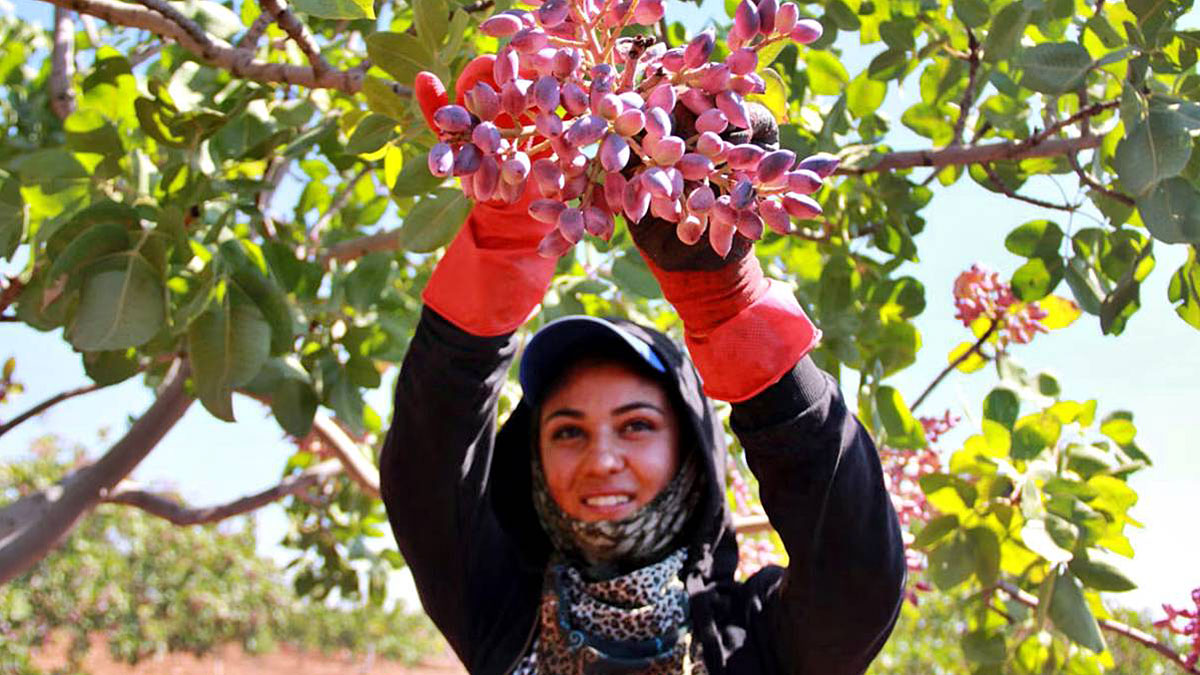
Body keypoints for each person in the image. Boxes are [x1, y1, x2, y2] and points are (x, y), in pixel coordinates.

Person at [380, 59, 906, 674]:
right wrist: (502, 244)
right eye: (567, 431)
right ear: (534, 459)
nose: (602, 460)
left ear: (689, 448)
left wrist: (731, 309)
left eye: (636, 426)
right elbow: (427, 468)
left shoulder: (755, 642)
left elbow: (859, 575)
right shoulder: (499, 606)